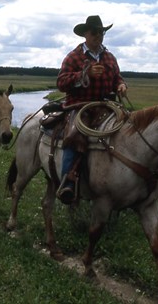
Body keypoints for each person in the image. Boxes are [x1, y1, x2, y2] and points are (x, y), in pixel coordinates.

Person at [55, 15, 127, 204]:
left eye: (101, 32)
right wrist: (84, 74)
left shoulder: (109, 57)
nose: (98, 36)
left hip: (106, 106)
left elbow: (117, 77)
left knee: (130, 129)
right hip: (80, 106)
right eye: (94, 32)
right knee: (74, 135)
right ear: (85, 34)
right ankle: (67, 182)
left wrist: (120, 85)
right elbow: (61, 82)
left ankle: (128, 179)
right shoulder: (74, 56)